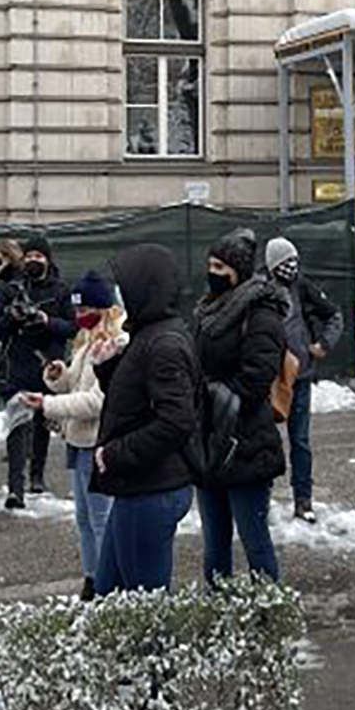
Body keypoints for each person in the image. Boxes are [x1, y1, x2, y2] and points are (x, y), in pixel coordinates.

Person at [91, 243, 199, 594]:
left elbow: (176, 422)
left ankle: (155, 652)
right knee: (109, 592)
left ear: (146, 287)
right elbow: (135, 401)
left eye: (126, 284)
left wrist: (115, 453)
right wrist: (107, 368)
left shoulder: (163, 342)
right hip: (136, 486)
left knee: (143, 604)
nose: (119, 294)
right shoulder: (147, 334)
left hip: (151, 490)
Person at [193, 229, 290, 584]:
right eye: (210, 265)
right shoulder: (207, 310)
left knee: (254, 541)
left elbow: (255, 381)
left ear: (238, 270)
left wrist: (208, 393)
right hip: (210, 443)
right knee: (214, 544)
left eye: (220, 266)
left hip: (246, 443)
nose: (212, 272)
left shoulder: (260, 312)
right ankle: (218, 613)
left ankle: (268, 617)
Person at [22, 270, 124, 601]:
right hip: (78, 442)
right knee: (84, 519)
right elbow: (75, 385)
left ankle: (110, 581)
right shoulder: (86, 341)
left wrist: (49, 403)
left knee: (101, 519)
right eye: (77, 311)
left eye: (84, 310)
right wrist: (58, 376)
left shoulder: (113, 343)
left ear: (103, 307)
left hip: (97, 443)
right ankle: (92, 578)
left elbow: (96, 401)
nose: (79, 317)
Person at [0, 235, 74, 507]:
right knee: (18, 425)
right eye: (29, 256)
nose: (33, 260)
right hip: (16, 365)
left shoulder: (60, 290)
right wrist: (12, 317)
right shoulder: (10, 290)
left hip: (48, 367)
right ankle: (16, 487)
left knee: (40, 425)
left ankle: (37, 475)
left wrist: (47, 320)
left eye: (39, 256)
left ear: (48, 260)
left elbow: (72, 327)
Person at [265, 236, 343, 523]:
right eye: (285, 262)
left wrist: (323, 344)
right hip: (269, 377)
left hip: (300, 375)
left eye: (293, 260)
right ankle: (264, 498)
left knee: (300, 440)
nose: (291, 266)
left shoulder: (303, 286)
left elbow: (334, 315)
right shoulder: (261, 289)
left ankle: (303, 499)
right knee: (266, 439)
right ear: (273, 265)